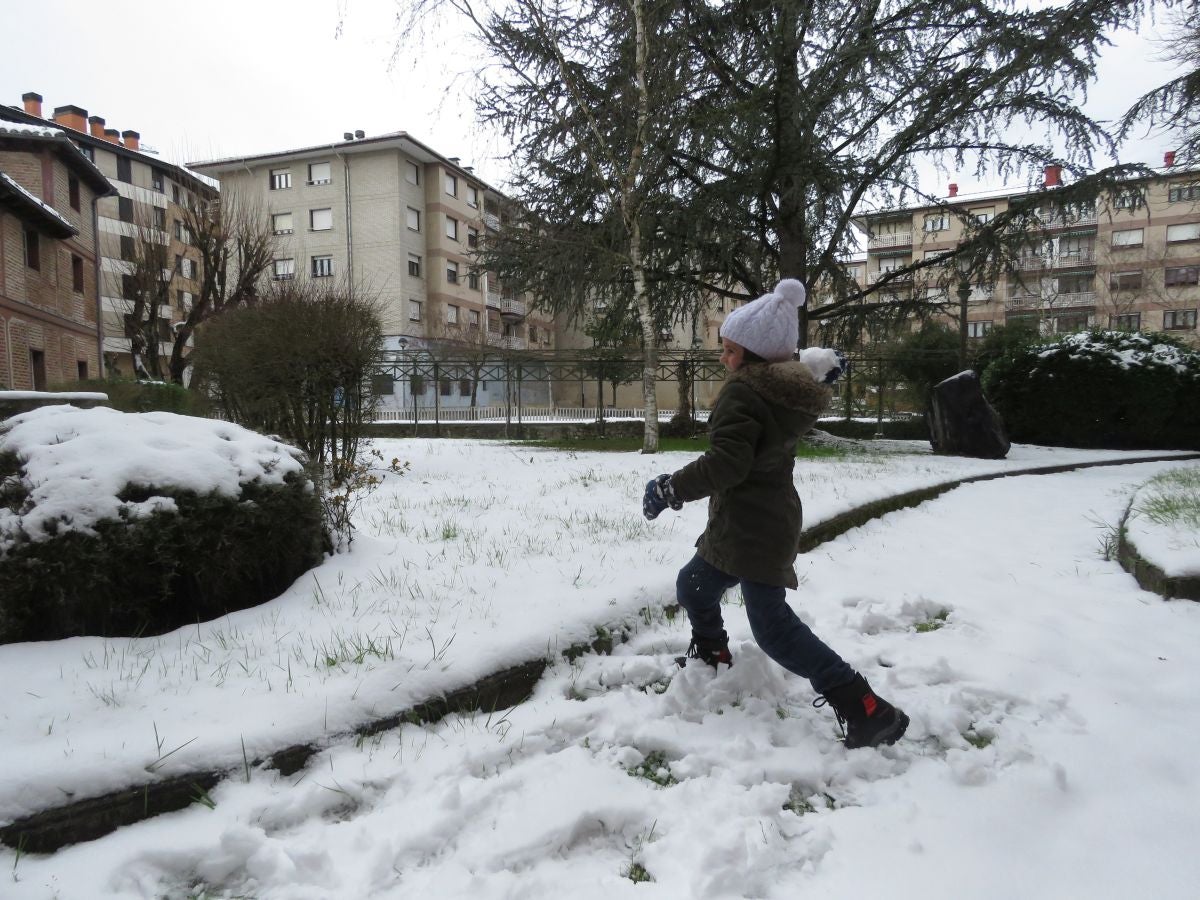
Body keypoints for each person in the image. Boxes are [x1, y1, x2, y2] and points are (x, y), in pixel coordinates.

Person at [642, 278, 908, 750]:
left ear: (753, 357)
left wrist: (671, 489)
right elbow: (798, 368)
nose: (723, 359)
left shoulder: (743, 395)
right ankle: (713, 651)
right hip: (751, 520)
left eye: (729, 350)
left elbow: (727, 463)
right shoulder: (780, 390)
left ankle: (865, 705)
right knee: (694, 587)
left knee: (773, 629)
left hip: (754, 530)